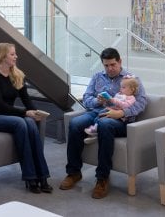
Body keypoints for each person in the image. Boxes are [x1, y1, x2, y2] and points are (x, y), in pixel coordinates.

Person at [60, 48, 148, 199]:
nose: (110, 69)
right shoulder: (97, 77)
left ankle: (102, 178)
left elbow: (141, 102)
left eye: (113, 65)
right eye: (106, 65)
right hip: (97, 112)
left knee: (105, 124)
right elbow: (86, 99)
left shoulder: (131, 79)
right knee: (75, 124)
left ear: (120, 61)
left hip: (120, 119)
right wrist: (97, 100)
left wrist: (121, 113)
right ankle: (73, 173)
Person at [0, 42, 52, 194]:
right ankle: (30, 177)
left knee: (30, 124)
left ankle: (42, 176)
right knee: (20, 122)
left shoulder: (17, 74)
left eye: (15, 54)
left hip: (8, 116)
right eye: (12, 54)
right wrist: (25, 113)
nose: (16, 56)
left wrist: (35, 112)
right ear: (2, 57)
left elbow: (27, 100)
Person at [83, 77, 139, 145]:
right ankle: (95, 131)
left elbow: (125, 105)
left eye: (123, 87)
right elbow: (113, 102)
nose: (120, 89)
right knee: (101, 113)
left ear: (131, 89)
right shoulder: (119, 94)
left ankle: (95, 130)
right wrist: (107, 100)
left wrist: (113, 100)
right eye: (120, 87)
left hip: (120, 118)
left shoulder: (131, 98)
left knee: (103, 119)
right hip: (112, 110)